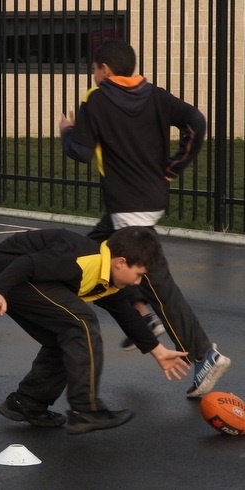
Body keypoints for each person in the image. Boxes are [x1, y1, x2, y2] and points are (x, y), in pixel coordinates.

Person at [58, 39, 230, 398]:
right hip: (147, 198)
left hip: (128, 205)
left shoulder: (95, 99)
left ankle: (204, 354)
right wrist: (175, 165)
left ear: (104, 69)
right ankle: (140, 312)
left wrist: (67, 132)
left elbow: (81, 152)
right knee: (93, 252)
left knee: (158, 285)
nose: (94, 75)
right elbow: (196, 121)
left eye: (94, 69)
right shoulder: (155, 95)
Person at [0, 226, 191, 435]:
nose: (138, 282)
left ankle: (27, 402)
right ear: (121, 263)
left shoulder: (108, 277)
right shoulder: (80, 260)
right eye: (138, 274)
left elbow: (126, 314)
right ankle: (86, 409)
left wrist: (159, 351)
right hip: (7, 273)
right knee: (81, 323)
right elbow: (27, 263)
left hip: (27, 276)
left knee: (65, 337)